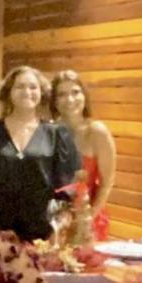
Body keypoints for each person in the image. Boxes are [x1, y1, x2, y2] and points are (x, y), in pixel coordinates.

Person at [0, 65, 80, 242]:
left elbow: (67, 189)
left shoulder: (57, 134)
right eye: (20, 87)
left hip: (43, 233)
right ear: (8, 92)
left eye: (33, 87)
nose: (27, 92)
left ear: (42, 93)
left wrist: (58, 228)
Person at [50, 70, 116, 241]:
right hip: (53, 222)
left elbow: (107, 184)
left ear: (84, 95)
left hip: (88, 220)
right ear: (54, 101)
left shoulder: (97, 132)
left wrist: (87, 219)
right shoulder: (49, 132)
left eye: (75, 92)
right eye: (62, 94)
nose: (70, 99)